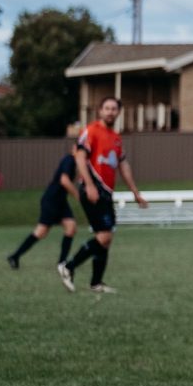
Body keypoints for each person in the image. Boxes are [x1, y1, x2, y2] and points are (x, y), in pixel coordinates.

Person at [58, 97, 148, 293]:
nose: (110, 112)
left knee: (106, 237)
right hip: (93, 189)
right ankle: (69, 266)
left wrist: (135, 193)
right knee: (105, 235)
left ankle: (96, 283)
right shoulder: (91, 131)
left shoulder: (116, 138)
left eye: (114, 109)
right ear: (100, 111)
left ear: (118, 112)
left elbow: (123, 165)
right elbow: (80, 157)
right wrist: (89, 184)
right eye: (107, 108)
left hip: (106, 192)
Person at [8, 146, 81, 269]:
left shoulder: (75, 163)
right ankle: (15, 256)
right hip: (51, 200)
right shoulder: (69, 160)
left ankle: (62, 262)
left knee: (71, 227)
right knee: (41, 231)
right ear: (75, 150)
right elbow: (64, 180)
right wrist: (78, 196)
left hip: (60, 201)